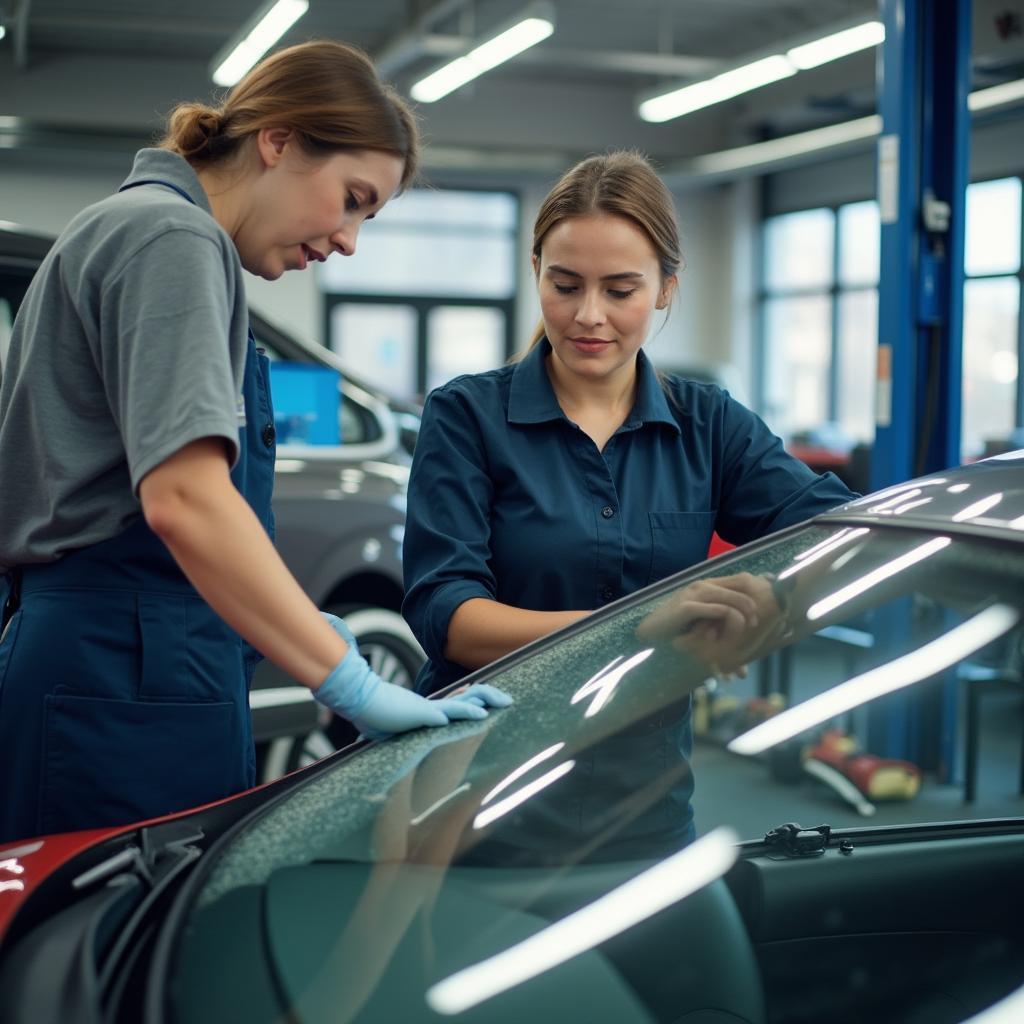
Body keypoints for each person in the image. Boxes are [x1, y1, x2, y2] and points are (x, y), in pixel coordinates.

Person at [0, 40, 508, 845]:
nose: (348, 240)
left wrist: (312, 625)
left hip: (118, 660)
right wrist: (347, 679)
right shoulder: (174, 239)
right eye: (351, 198)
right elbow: (186, 499)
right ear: (278, 139)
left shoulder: (129, 226)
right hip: (123, 668)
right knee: (116, 955)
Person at [401, 150, 854, 854]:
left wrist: (773, 602)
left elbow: (835, 530)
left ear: (666, 288)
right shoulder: (466, 416)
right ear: (536, 274)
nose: (589, 316)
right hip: (482, 791)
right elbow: (448, 616)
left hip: (643, 794)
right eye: (566, 285)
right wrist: (637, 625)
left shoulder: (708, 425)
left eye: (620, 290)